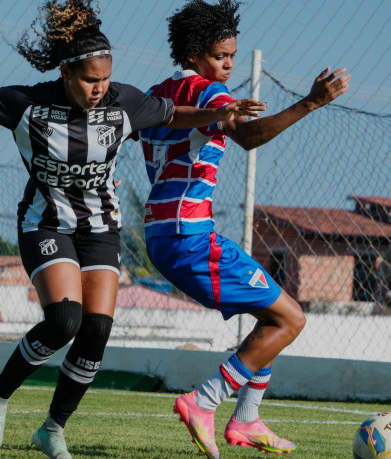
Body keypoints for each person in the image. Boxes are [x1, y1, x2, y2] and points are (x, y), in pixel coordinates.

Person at [0, 1, 264, 457]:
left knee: (96, 330)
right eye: (89, 80)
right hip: (45, 224)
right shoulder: (26, 104)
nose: (100, 89)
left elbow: (173, 115)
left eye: (105, 79)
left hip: (101, 227)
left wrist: (220, 117)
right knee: (64, 322)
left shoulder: (123, 101)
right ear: (65, 73)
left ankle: (52, 429)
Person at [137, 1, 350, 457]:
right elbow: (249, 136)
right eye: (220, 55)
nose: (229, 64)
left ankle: (247, 420)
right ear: (194, 54)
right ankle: (204, 401)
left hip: (162, 235)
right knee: (291, 319)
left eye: (232, 55)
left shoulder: (159, 92)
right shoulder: (208, 92)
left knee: (274, 317)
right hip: (189, 237)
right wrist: (311, 101)